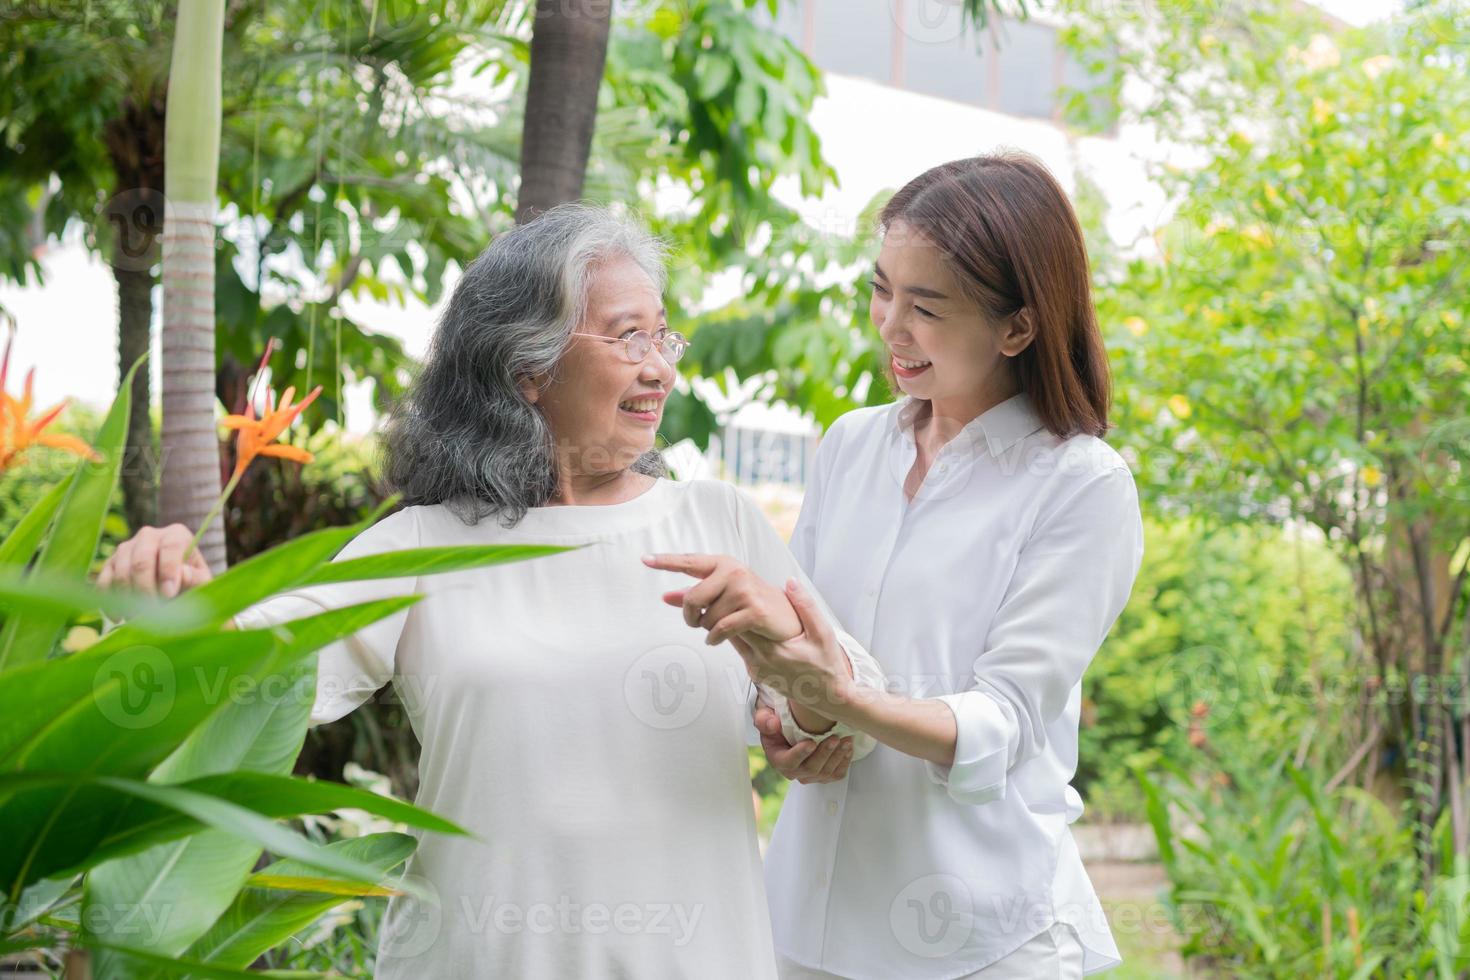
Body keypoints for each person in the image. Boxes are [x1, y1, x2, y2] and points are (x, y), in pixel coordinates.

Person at [96, 203, 884, 979]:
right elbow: (239, 678)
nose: (661, 366)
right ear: (527, 368)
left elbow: (858, 719)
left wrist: (793, 660)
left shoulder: (716, 520)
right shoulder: (422, 544)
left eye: (663, 333)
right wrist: (163, 603)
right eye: (628, 335)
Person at [647, 152, 1144, 978]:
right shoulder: (851, 446)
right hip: (807, 921)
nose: (890, 326)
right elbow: (799, 646)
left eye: (927, 307)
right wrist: (794, 723)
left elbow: (1003, 725)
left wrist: (844, 701)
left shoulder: (1079, 485)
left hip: (981, 938)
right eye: (882, 290)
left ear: (1017, 327)